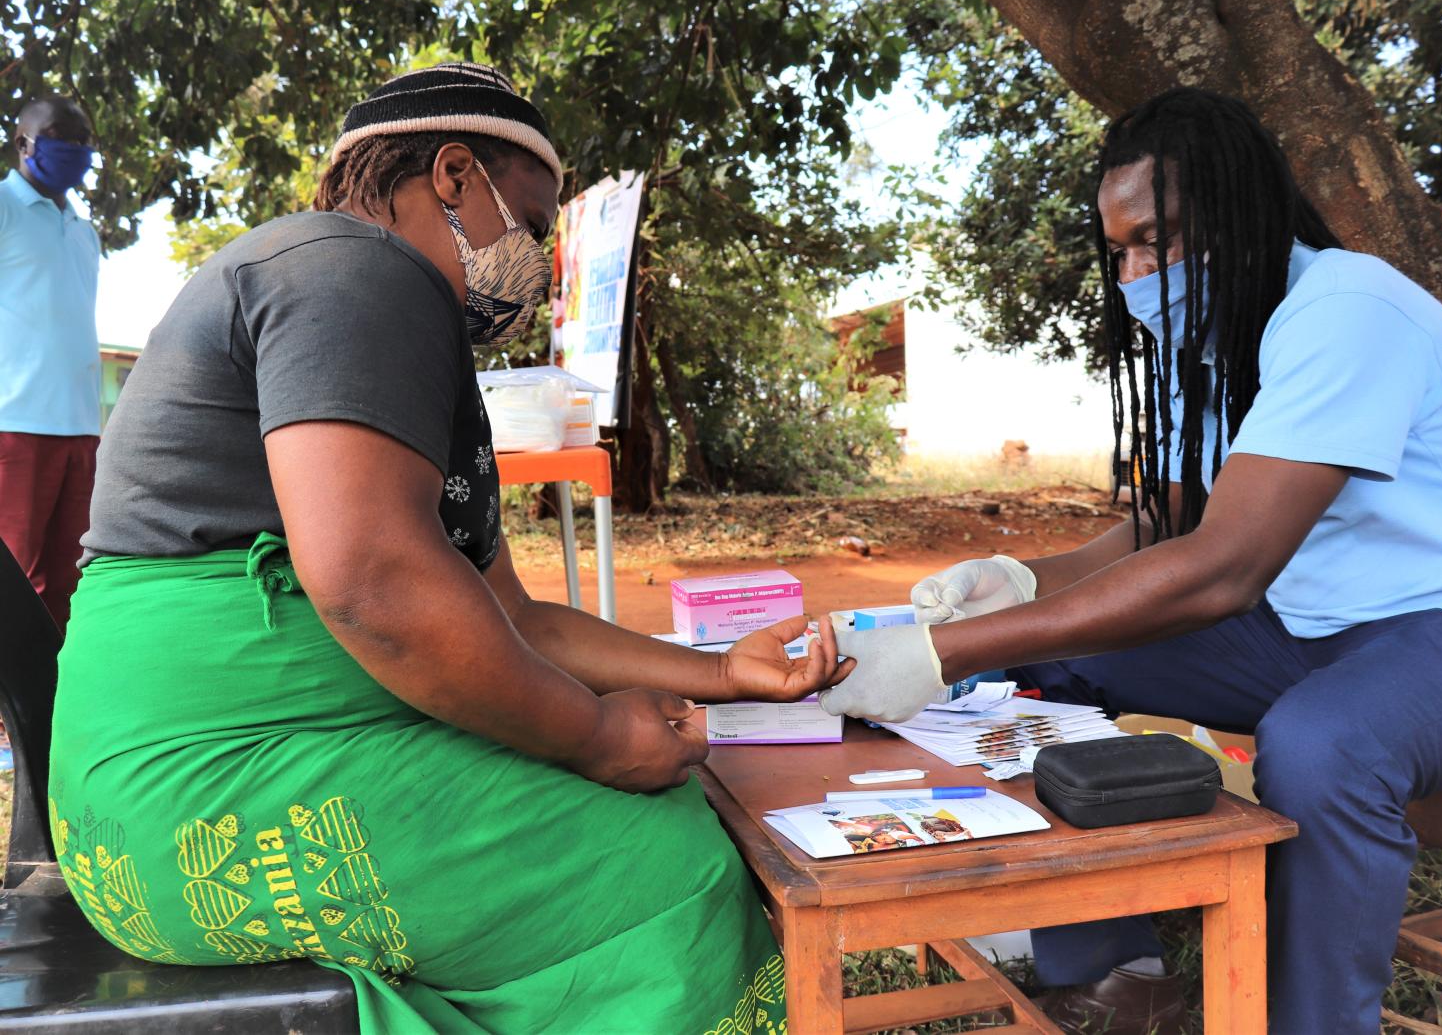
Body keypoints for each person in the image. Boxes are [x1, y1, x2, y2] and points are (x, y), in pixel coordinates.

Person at [49, 63, 847, 1034]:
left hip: (147, 821)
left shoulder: (382, 316)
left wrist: (720, 667)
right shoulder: (353, 268)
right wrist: (595, 736)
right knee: (660, 859)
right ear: (455, 175)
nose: (539, 259)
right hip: (198, 799)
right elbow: (373, 582)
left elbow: (507, 617)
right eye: (534, 221)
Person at [819, 87, 1442, 1035]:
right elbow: (1169, 523)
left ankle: (1313, 1022)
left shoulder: (1347, 310)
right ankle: (1113, 968)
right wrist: (1022, 579)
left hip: (1429, 629)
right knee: (1039, 658)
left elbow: (1221, 570)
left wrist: (944, 653)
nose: (1134, 274)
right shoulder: (1219, 342)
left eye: (1154, 240)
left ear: (1242, 218)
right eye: (1118, 251)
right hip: (1308, 625)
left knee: (1324, 745)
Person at [0, 95, 102, 631]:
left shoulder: (84, 232)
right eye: (63, 135)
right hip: (15, 424)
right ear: (23, 143)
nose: (77, 150)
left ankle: (49, 704)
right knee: (13, 576)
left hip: (82, 430)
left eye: (85, 141)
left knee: (69, 580)